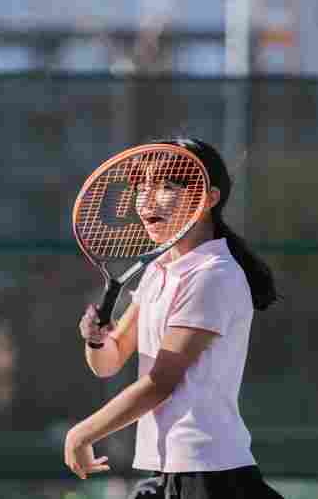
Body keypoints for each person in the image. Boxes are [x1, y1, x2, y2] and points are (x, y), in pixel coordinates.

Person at [64, 138, 283, 498]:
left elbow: (161, 381)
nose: (148, 198)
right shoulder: (159, 271)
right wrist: (96, 339)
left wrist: (81, 433)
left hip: (210, 475)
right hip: (169, 472)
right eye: (142, 186)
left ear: (208, 198)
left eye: (166, 185)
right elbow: (109, 360)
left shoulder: (214, 274)